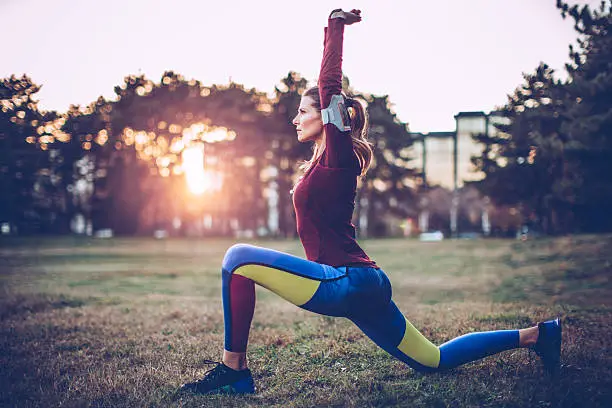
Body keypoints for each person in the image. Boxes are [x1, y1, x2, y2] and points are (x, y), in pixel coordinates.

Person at [180, 9, 562, 395]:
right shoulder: (321, 164)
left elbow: (329, 85)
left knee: (237, 259)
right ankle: (536, 336)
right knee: (433, 360)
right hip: (365, 284)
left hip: (347, 282)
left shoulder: (338, 154)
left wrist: (335, 26)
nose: (295, 119)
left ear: (325, 117)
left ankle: (234, 372)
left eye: (302, 111)